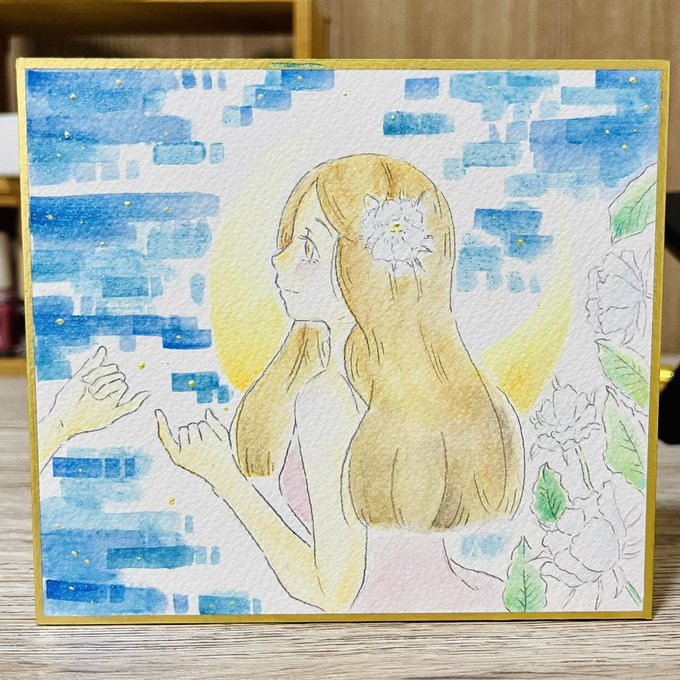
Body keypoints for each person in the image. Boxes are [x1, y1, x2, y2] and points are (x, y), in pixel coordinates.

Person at [155, 153, 525, 613]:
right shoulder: (414, 391)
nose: (280, 260)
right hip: (454, 605)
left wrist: (222, 476)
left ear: (365, 270)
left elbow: (331, 592)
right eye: (289, 242)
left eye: (308, 248)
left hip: (386, 624)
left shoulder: (327, 399)